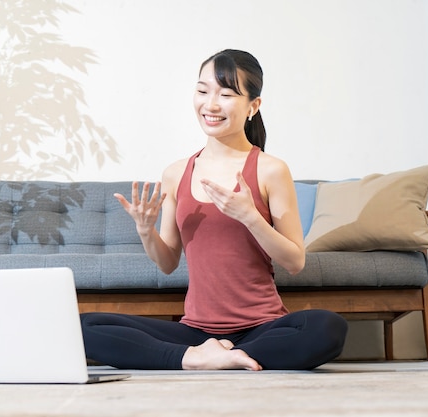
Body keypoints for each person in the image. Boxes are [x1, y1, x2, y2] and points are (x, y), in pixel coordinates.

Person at [80, 49, 347, 371]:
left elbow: (294, 261)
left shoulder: (270, 170)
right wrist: (144, 230)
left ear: (253, 106)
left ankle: (213, 357)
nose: (212, 104)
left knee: (326, 328)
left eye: (227, 94)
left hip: (261, 328)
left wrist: (250, 216)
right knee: (83, 326)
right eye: (203, 91)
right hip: (195, 332)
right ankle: (195, 358)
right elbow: (167, 263)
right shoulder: (176, 172)